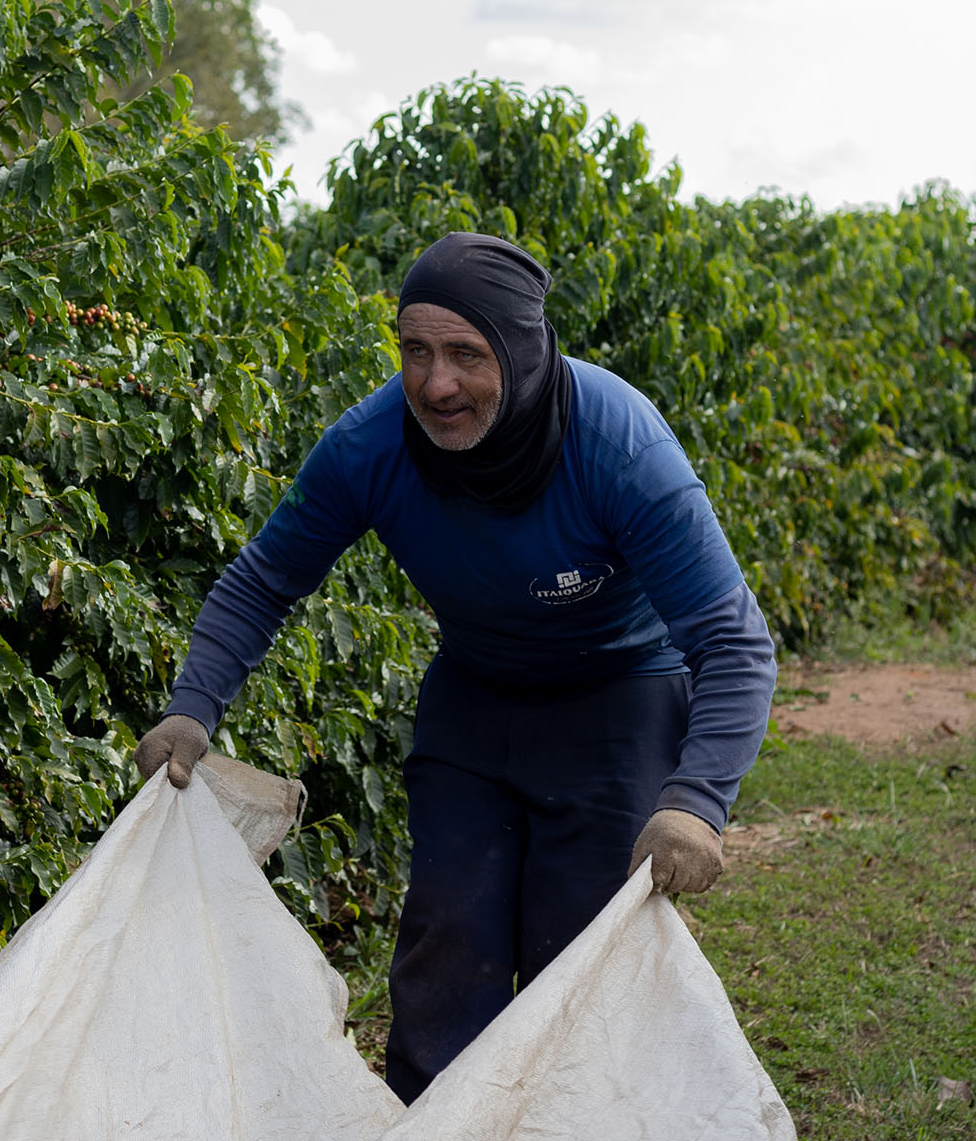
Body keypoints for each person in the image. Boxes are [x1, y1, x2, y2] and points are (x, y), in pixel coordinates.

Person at [133, 231, 777, 1103]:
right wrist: (191, 706)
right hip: (476, 701)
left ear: (519, 350)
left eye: (467, 355)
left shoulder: (619, 446)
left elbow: (733, 643)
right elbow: (264, 580)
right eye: (415, 351)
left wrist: (694, 804)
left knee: (578, 958)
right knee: (447, 941)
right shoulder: (371, 446)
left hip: (620, 701)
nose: (437, 384)